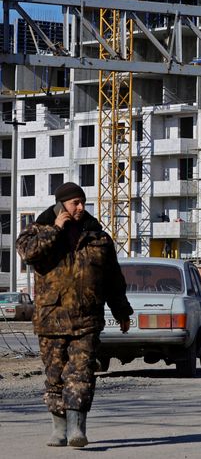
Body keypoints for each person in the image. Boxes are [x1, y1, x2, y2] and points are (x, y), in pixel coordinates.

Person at [16, 182, 133, 448]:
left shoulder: (97, 237)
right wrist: (56, 229)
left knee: (82, 374)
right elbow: (29, 254)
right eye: (74, 203)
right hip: (51, 320)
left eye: (82, 202)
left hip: (86, 319)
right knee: (55, 376)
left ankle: (77, 429)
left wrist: (122, 310)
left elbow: (113, 278)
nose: (80, 208)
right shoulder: (36, 231)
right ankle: (59, 429)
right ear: (61, 205)